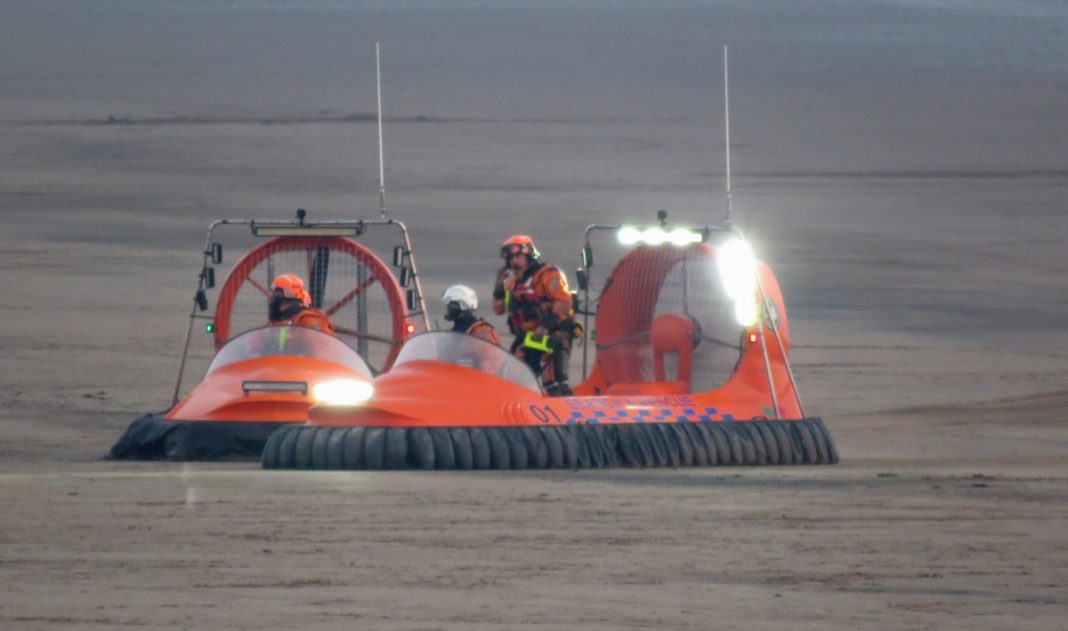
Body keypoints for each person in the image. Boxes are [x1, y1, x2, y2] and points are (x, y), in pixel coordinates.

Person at [492, 235, 577, 396]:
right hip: (526, 338)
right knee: (514, 380)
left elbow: (564, 303)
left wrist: (545, 327)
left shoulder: (548, 274)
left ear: (529, 254)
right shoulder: (511, 283)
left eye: (517, 256)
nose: (513, 261)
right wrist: (498, 286)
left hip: (552, 334)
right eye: (510, 258)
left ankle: (565, 410)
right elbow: (498, 309)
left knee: (554, 382)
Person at [267, 273, 336, 335]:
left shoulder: (308, 320)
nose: (273, 300)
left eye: (276, 294)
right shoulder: (276, 322)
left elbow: (325, 347)